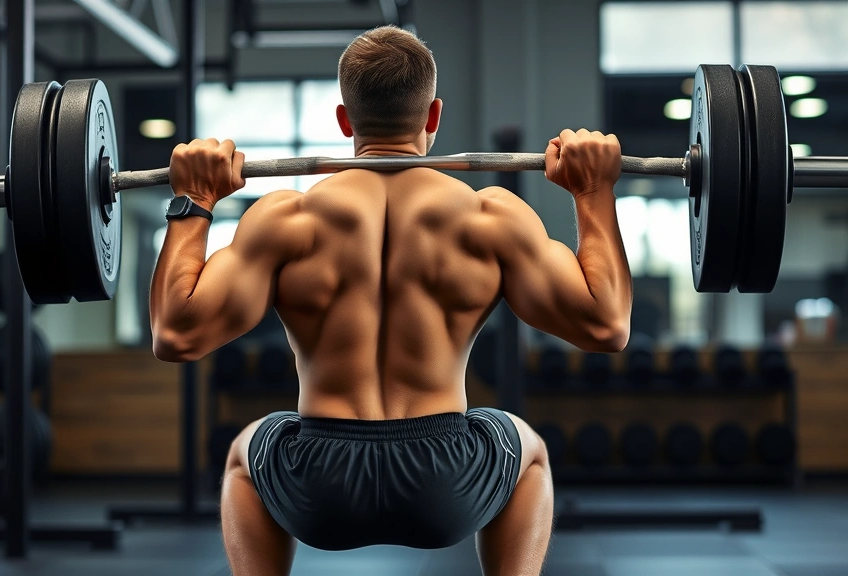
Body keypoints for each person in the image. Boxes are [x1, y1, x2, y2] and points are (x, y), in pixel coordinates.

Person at [151, 25, 631, 576]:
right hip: (446, 484)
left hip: (319, 484)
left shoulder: (287, 219)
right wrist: (593, 194)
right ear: (433, 116)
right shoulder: (488, 216)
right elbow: (606, 325)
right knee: (529, 450)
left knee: (245, 452)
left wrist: (194, 200)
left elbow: (175, 333)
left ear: (344, 120)